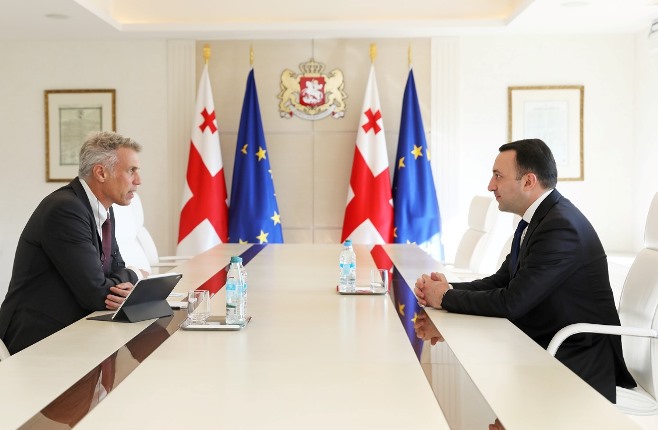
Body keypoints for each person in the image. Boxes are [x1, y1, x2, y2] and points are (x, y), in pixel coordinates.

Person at [414, 138, 636, 403]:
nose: (490, 185)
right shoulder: (540, 219)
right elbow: (503, 279)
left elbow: (512, 302)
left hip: (573, 358)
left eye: (498, 176)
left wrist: (445, 297)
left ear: (528, 181)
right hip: (542, 340)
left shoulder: (560, 227)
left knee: (463, 385)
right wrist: (446, 288)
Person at [0, 131, 145, 354]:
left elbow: (114, 270)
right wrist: (136, 274)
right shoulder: (65, 209)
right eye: (131, 170)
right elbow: (98, 295)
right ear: (101, 172)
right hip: (37, 338)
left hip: (75, 330)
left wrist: (122, 279)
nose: (138, 180)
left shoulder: (104, 210)